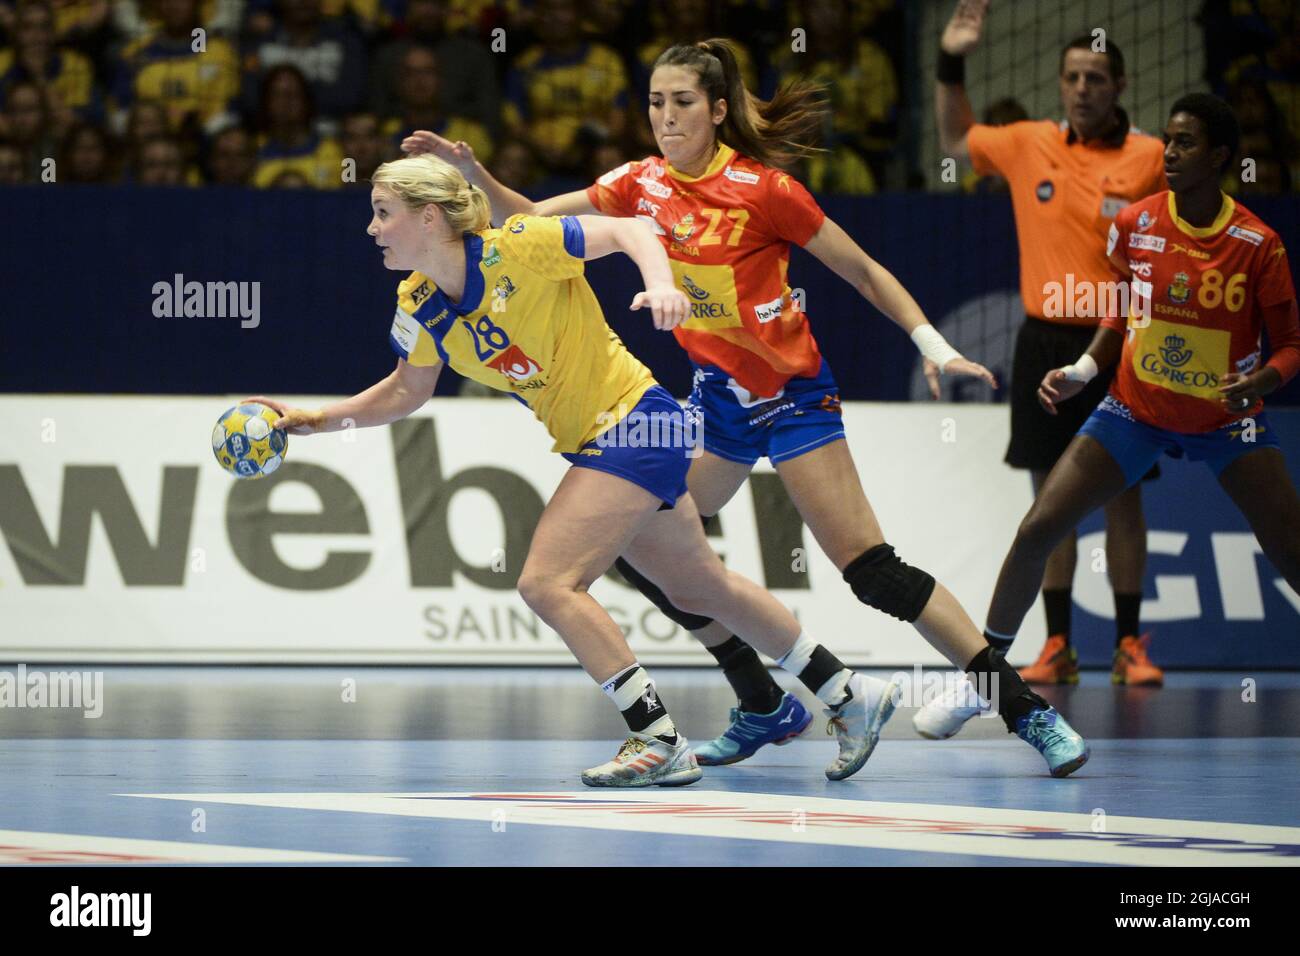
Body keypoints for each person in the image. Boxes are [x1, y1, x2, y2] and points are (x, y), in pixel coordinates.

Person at [403, 38, 1091, 777]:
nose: (666, 118)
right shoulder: (640, 184)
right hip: (716, 409)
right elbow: (531, 219)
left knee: (873, 572)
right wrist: (475, 175)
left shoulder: (765, 189)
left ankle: (1028, 711)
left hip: (793, 401)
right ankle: (763, 700)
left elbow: (862, 270)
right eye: (656, 103)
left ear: (718, 110)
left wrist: (931, 343)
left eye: (683, 103)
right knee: (647, 549)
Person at [245, 152, 914, 786]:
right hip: (605, 436)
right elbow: (403, 392)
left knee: (547, 583)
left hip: (632, 421)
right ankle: (850, 692)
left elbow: (630, 229)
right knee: (700, 586)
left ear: (428, 219)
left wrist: (661, 288)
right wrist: (313, 420)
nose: (371, 228)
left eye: (382, 211)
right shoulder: (420, 302)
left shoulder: (519, 246)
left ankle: (656, 739)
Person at [916, 93, 1300, 737]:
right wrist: (1084, 373)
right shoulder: (1137, 226)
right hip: (1135, 410)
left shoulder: (1257, 245)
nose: (1170, 153)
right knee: (1038, 526)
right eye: (1169, 141)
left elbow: (1291, 345)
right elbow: (1119, 316)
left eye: (1185, 144)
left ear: (1222, 158)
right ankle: (981, 683)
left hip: (1225, 421)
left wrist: (1261, 378)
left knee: (1289, 544)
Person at [928, 1, 1168, 712]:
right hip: (1043, 344)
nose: (1083, 88)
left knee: (1124, 494)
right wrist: (951, 58)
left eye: (1096, 77)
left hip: (1119, 344)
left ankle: (1129, 645)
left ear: (1120, 86)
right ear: (1060, 86)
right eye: (1072, 77)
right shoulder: (1029, 141)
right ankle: (1057, 646)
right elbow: (951, 139)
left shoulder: (1152, 157)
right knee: (1048, 502)